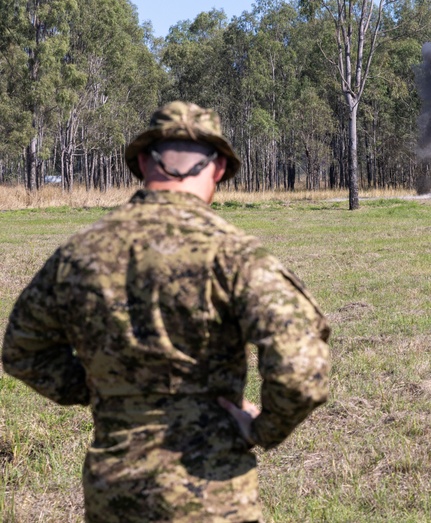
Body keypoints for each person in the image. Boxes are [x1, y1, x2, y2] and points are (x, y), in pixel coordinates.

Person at [2, 101, 331, 522]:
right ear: (219, 170)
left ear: (142, 162)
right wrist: (262, 429)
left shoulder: (79, 255)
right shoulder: (236, 256)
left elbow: (22, 351)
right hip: (213, 493)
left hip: (114, 491)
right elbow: (302, 371)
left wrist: (97, 387)